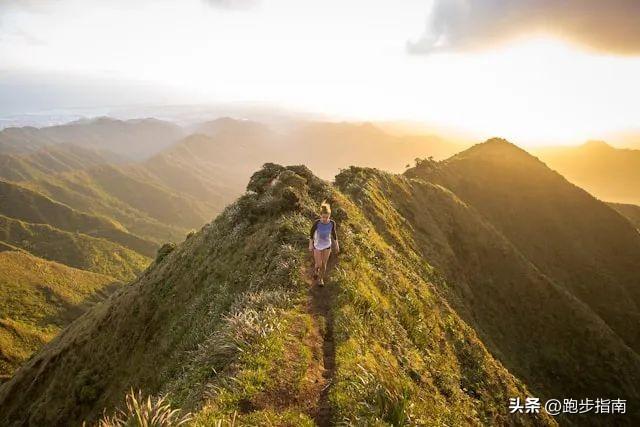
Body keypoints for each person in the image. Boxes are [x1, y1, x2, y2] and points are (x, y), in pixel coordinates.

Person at [308, 201, 339, 286]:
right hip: (317, 245)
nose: (325, 219)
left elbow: (334, 234)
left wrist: (336, 244)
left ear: (329, 215)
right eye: (323, 217)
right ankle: (316, 270)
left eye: (327, 217)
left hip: (327, 245)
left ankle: (321, 279)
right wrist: (310, 244)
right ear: (320, 215)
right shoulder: (317, 223)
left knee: (324, 264)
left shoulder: (332, 223)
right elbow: (311, 233)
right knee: (319, 264)